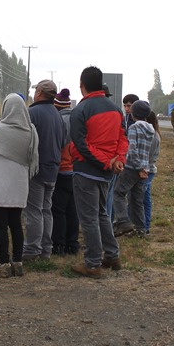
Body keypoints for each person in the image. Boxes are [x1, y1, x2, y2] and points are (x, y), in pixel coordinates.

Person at [69, 66, 128, 278]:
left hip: (87, 171)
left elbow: (81, 145)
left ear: (81, 85)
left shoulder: (81, 110)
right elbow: (123, 138)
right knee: (102, 213)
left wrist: (108, 162)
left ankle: (93, 263)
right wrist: (117, 160)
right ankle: (112, 255)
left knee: (89, 218)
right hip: (107, 173)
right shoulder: (115, 110)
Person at [0, 93, 39, 278]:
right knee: (16, 224)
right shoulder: (31, 131)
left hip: (0, 183)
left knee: (0, 224)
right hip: (20, 184)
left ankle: (4, 262)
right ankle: (18, 261)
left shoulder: (0, 130)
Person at [24, 79, 64, 261]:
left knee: (34, 210)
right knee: (46, 209)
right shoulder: (57, 114)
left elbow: (24, 141)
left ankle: (32, 250)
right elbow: (63, 142)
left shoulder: (32, 112)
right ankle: (46, 250)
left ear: (39, 92)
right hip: (53, 168)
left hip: (37, 169)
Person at [112, 100, 160, 237]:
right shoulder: (151, 129)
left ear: (134, 113)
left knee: (118, 193)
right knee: (137, 200)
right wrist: (143, 168)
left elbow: (132, 149)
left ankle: (123, 221)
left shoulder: (134, 128)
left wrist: (138, 167)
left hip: (133, 167)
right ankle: (141, 229)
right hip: (145, 168)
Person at [51, 89, 80, 256]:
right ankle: (73, 244)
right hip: (76, 170)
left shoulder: (57, 120)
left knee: (58, 210)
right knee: (73, 209)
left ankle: (59, 244)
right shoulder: (78, 119)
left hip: (62, 169)